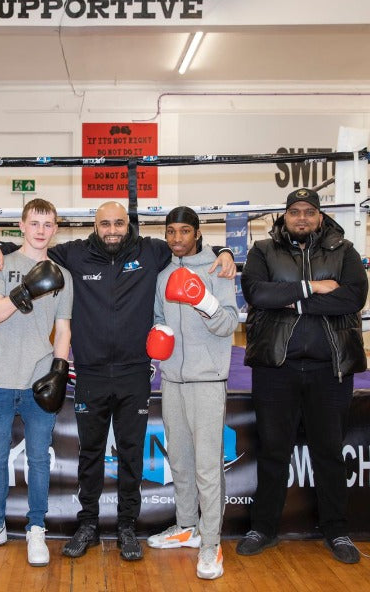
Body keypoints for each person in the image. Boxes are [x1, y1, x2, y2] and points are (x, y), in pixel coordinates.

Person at [0, 201, 235, 561]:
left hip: (135, 372)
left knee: (131, 453)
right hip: (91, 372)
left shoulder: (151, 251)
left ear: (128, 225)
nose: (112, 230)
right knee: (90, 452)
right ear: (95, 225)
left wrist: (225, 251)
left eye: (119, 223)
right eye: (105, 224)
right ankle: (88, 524)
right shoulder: (75, 254)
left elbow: (188, 246)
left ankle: (127, 527)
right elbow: (35, 245)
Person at [238, 187, 368, 564]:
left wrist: (291, 300)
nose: (302, 218)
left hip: (330, 369)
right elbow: (257, 294)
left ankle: (336, 530)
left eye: (309, 212)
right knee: (273, 451)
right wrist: (313, 288)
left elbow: (352, 298)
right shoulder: (263, 251)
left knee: (329, 452)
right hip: (276, 368)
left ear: (320, 216)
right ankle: (263, 528)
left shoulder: (344, 251)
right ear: (285, 216)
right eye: (295, 211)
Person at [0, 199, 72, 567]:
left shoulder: (64, 275)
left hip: (40, 377)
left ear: (55, 229)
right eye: (34, 223)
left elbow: (64, 329)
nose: (41, 230)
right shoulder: (1, 264)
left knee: (39, 458)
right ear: (21, 226)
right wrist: (24, 290)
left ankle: (36, 528)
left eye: (48, 224)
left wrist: (59, 370)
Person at [145, 207, 238, 580]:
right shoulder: (163, 275)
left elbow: (229, 323)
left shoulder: (217, 269)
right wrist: (159, 335)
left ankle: (211, 544)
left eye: (184, 231)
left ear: (197, 234)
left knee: (207, 467)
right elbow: (159, 317)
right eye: (171, 231)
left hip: (207, 380)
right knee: (180, 462)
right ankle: (187, 526)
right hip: (172, 380)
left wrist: (203, 301)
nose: (177, 238)